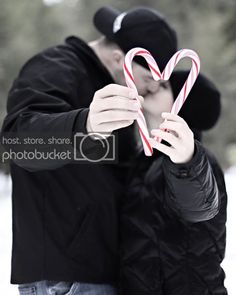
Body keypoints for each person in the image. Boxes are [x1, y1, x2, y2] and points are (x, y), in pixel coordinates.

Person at [0, 5, 181, 295]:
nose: (150, 90)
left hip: (102, 270)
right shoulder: (56, 68)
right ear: (120, 57)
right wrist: (85, 124)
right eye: (149, 79)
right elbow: (17, 144)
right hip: (64, 278)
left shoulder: (114, 90)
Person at [119, 71, 227, 295]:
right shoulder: (142, 161)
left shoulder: (197, 160)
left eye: (164, 85)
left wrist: (187, 163)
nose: (153, 84)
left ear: (183, 102)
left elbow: (199, 206)